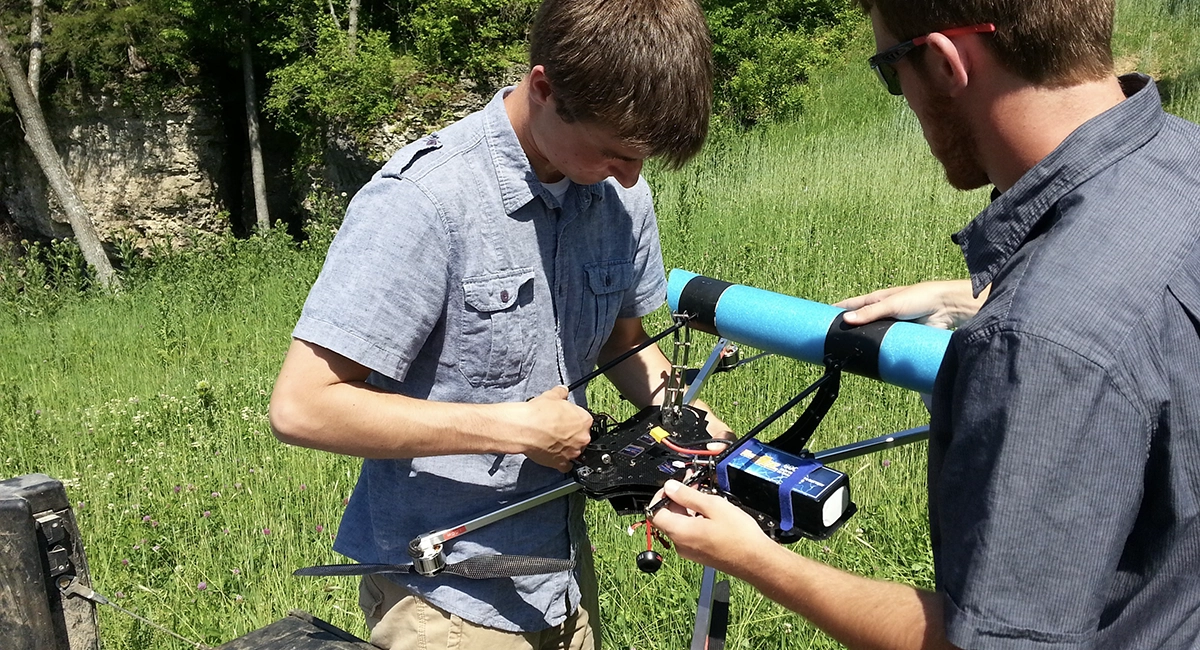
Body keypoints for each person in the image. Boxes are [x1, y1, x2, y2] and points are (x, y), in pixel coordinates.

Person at [652, 0, 1200, 648]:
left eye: (891, 71)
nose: (901, 97)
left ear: (943, 63)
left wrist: (754, 557)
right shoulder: (1182, 159)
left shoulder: (1037, 347)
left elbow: (987, 642)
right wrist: (965, 295)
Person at [268, 1, 727, 648]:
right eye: (613, 152)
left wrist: (692, 426)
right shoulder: (424, 202)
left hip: (561, 574)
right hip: (444, 596)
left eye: (643, 157)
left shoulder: (620, 195)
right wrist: (512, 429)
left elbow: (624, 345)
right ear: (544, 89)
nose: (632, 176)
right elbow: (302, 407)